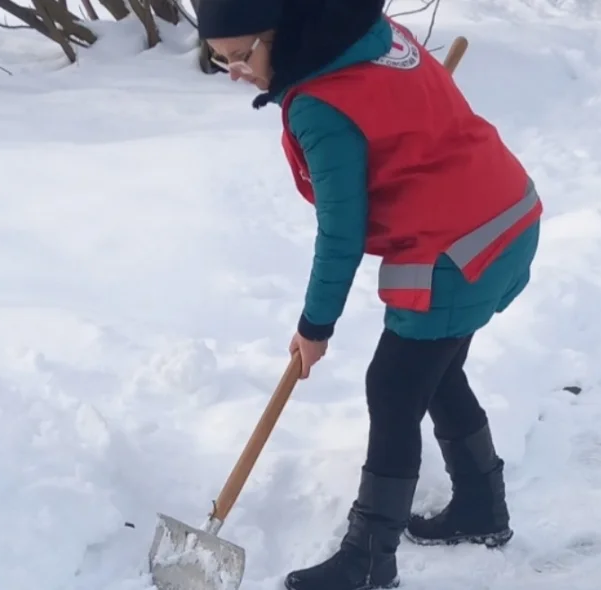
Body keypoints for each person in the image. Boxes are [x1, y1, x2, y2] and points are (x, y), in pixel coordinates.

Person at [195, 0, 542, 588]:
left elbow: (340, 232)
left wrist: (315, 325)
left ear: (280, 33)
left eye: (241, 55)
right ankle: (482, 507)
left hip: (456, 246)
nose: (235, 72)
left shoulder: (322, 107)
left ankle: (368, 559)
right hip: (506, 215)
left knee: (394, 385)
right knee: (434, 368)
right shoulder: (369, 36)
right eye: (218, 60)